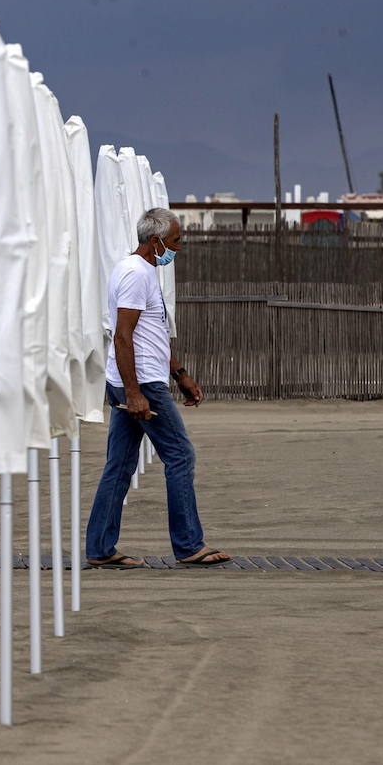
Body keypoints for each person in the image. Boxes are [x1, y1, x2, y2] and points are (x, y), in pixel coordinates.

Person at [84, 207, 231, 568]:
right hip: (142, 382)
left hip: (137, 378)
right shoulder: (136, 274)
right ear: (155, 241)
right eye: (176, 241)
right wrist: (135, 393)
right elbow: (123, 337)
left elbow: (152, 335)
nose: (178, 248)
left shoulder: (139, 270)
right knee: (180, 455)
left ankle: (101, 549)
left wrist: (180, 373)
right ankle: (188, 544)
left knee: (119, 464)